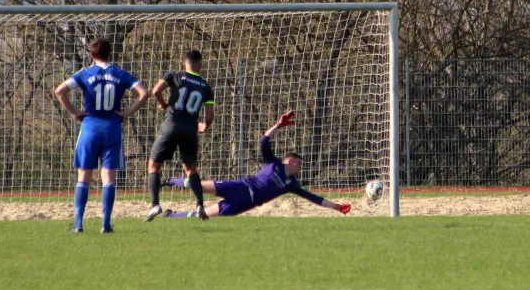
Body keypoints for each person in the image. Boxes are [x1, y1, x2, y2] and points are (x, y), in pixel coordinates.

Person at [161, 111, 351, 218]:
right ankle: (169, 181)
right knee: (199, 186)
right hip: (240, 186)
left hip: (246, 202)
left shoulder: (291, 184)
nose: (300, 167)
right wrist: (278, 125)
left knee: (204, 214)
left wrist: (337, 207)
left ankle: (170, 215)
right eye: (299, 163)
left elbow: (314, 198)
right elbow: (263, 142)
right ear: (290, 160)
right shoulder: (273, 162)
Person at [54, 38, 149, 233]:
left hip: (89, 127)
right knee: (108, 178)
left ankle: (78, 223)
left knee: (84, 176)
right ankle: (105, 224)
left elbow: (59, 91)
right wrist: (126, 113)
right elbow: (144, 93)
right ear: (110, 53)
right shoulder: (120, 74)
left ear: (91, 55)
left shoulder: (85, 73)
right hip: (112, 127)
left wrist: (75, 112)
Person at [144, 50, 215, 222]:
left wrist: (163, 104)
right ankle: (199, 205)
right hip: (190, 129)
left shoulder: (174, 75)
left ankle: (155, 205)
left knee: (154, 165)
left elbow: (155, 91)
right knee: (190, 169)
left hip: (171, 125)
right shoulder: (206, 87)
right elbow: (210, 116)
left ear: (184, 63)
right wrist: (204, 125)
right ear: (201, 65)